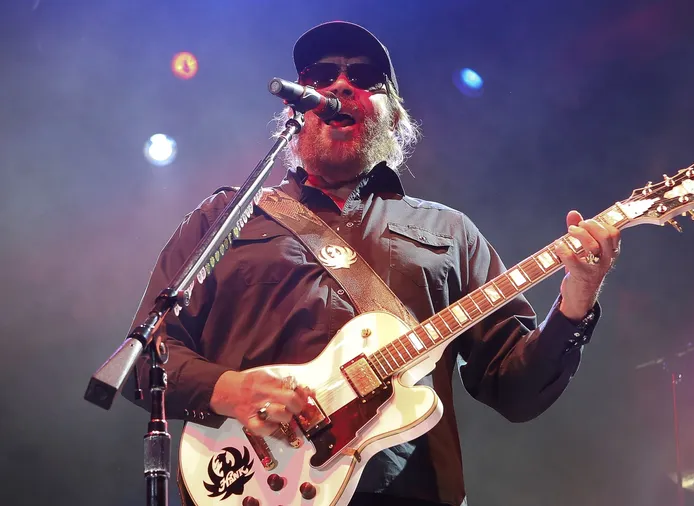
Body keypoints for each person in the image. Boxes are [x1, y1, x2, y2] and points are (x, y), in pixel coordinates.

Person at [125, 20, 621, 506]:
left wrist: (577, 297)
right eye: (321, 75)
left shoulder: (450, 232)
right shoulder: (226, 216)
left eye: (364, 77)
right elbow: (143, 358)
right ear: (294, 109)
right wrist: (229, 389)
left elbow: (516, 391)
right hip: (253, 487)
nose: (341, 84)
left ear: (395, 117)